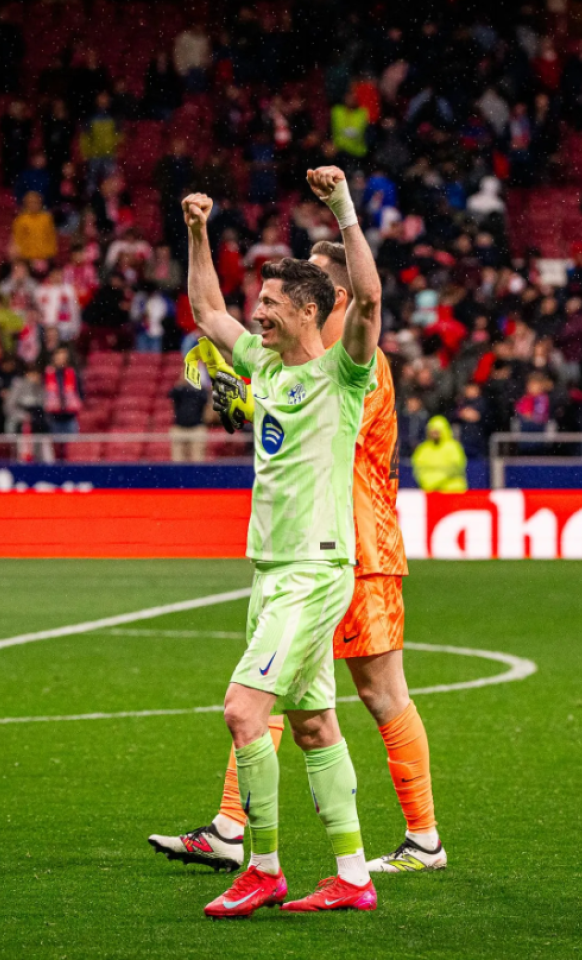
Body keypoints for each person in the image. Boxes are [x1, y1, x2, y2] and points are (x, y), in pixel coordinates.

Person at [167, 172, 384, 918]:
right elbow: (204, 309)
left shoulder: (343, 372)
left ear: (308, 311)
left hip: (315, 568)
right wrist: (197, 229)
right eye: (256, 303)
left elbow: (372, 301)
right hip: (272, 570)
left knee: (242, 711)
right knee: (315, 721)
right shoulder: (261, 366)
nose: (253, 314)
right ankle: (353, 876)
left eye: (268, 304)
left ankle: (263, 866)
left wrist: (344, 210)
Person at [411, 415, 467, 492]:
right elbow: (418, 469)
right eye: (432, 431)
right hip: (430, 491)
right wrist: (429, 482)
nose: (434, 434)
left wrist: (434, 481)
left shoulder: (453, 447)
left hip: (452, 491)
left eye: (437, 431)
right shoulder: (423, 449)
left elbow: (455, 468)